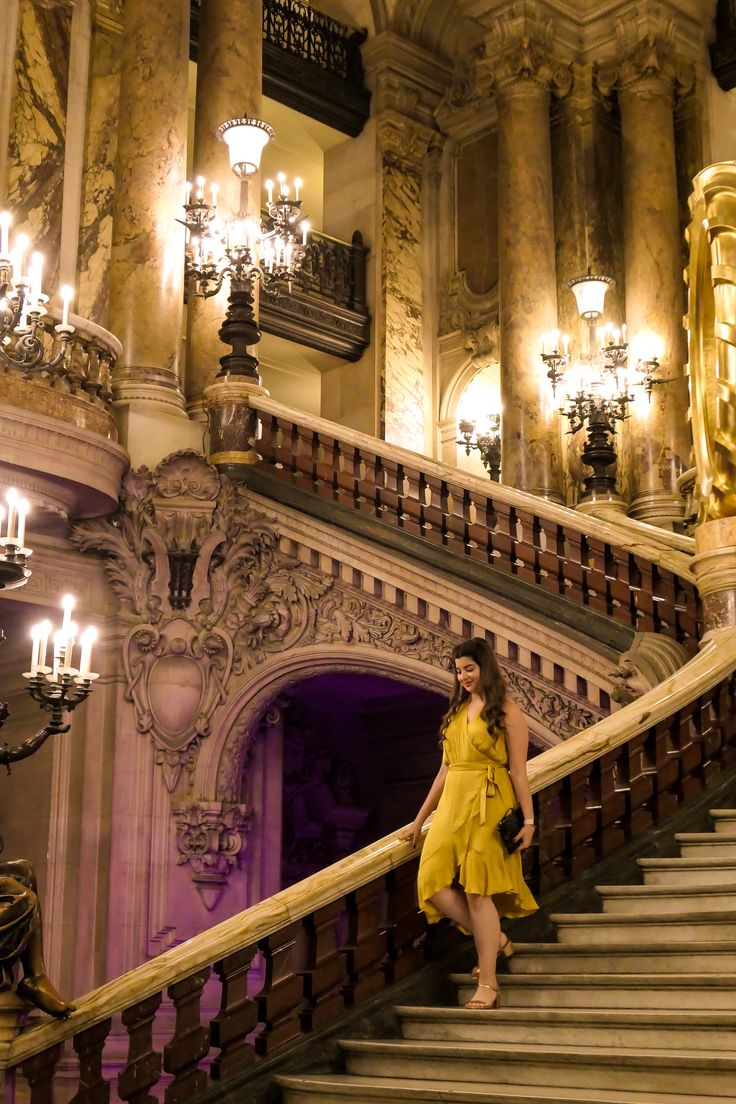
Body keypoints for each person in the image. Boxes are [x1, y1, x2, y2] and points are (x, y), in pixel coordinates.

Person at [399, 637, 538, 1009]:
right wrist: (419, 819)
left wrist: (529, 820)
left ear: (485, 667)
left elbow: (519, 773)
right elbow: (444, 770)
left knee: (478, 889)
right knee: (430, 881)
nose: (463, 676)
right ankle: (498, 940)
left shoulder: (506, 711)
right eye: (458, 670)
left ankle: (489, 983)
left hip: (490, 802)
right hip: (452, 804)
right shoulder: (456, 712)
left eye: (469, 669)